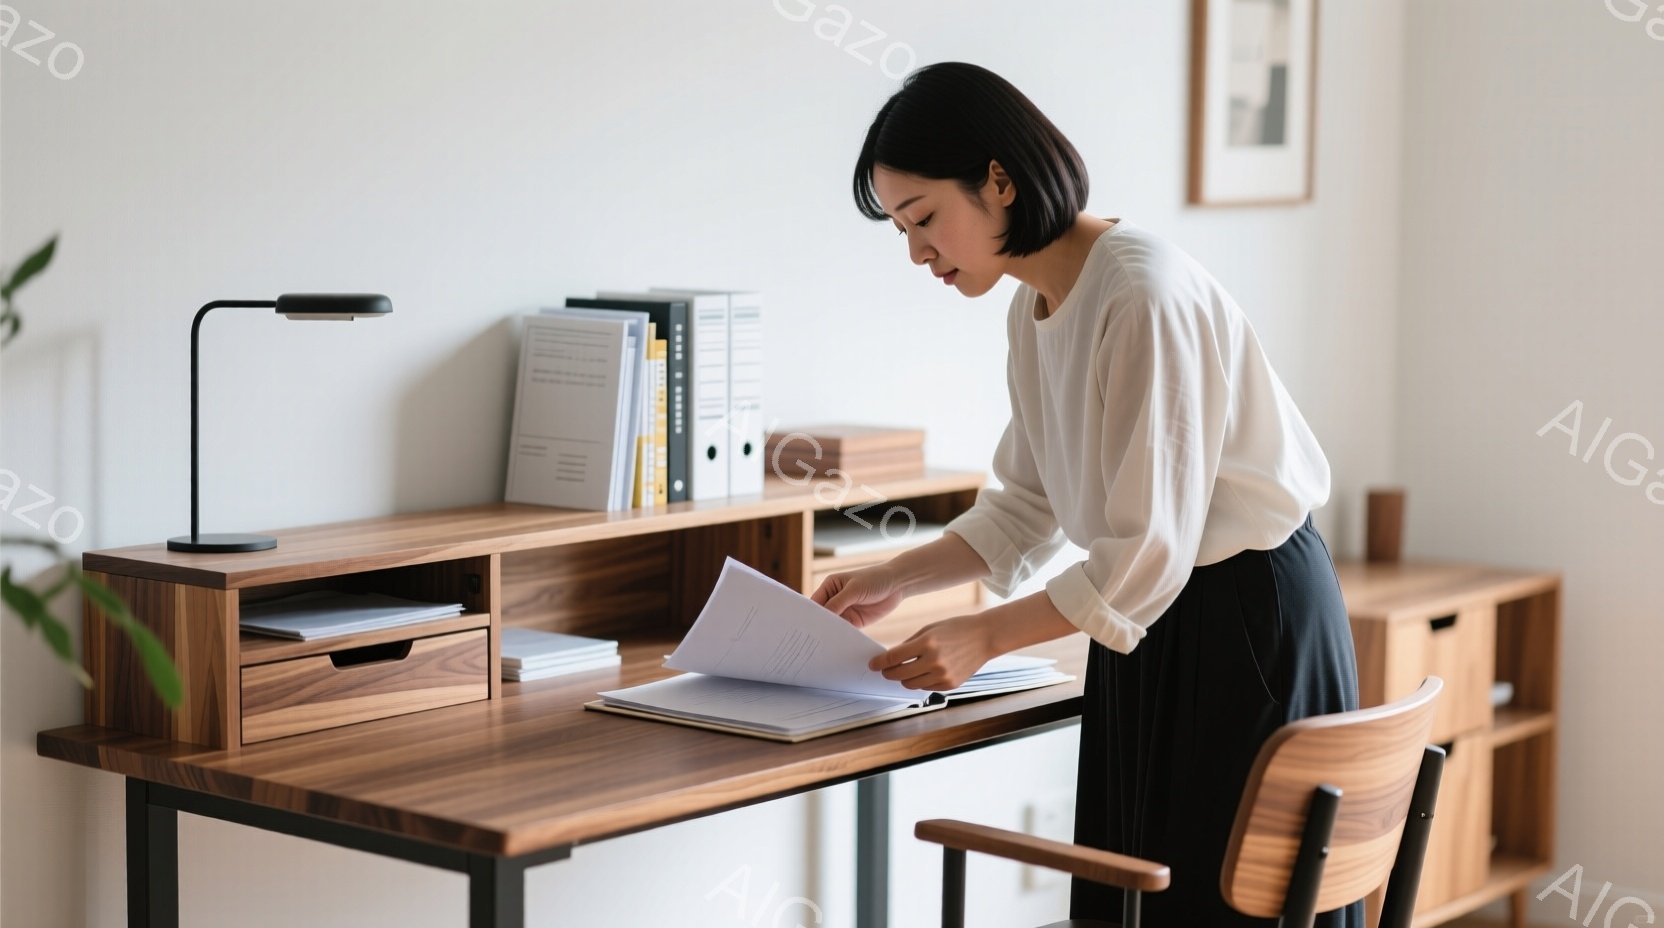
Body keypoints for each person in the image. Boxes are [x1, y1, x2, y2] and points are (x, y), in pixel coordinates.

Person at [813, 62, 1363, 926]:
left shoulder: (1140, 295)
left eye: (924, 219)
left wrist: (987, 634)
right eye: (900, 230)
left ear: (999, 180)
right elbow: (1026, 504)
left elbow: (1149, 552)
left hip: (1244, 618)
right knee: (1135, 892)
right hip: (1155, 622)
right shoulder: (1034, 308)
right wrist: (900, 575)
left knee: (1209, 901)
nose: (917, 251)